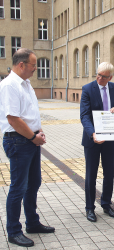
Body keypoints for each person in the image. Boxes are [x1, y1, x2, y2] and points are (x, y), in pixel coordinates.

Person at [0, 48, 55, 248]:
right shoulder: (9, 85)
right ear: (21, 64)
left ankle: (32, 223)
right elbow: (13, 119)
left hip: (30, 140)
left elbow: (30, 112)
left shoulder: (26, 83)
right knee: (18, 187)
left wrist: (38, 131)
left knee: (33, 183)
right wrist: (33, 137)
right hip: (18, 141)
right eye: (33, 65)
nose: (36, 68)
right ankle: (14, 231)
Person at [80, 62, 114, 222]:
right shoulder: (87, 89)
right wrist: (92, 133)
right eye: (98, 74)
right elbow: (84, 115)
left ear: (110, 77)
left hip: (110, 140)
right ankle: (89, 208)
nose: (99, 78)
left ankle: (106, 204)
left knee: (109, 175)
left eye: (103, 76)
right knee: (91, 176)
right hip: (93, 140)